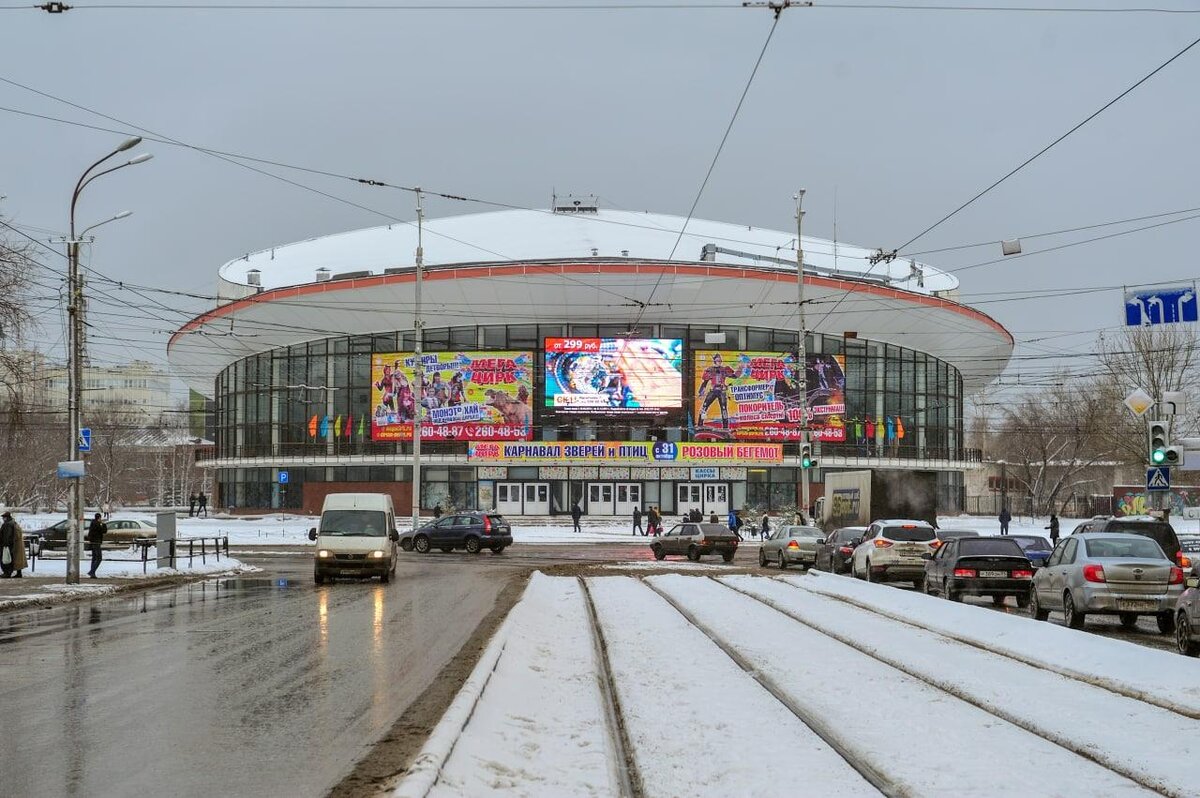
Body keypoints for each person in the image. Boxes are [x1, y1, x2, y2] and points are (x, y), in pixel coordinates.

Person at [1, 511, 26, 578]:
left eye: (3, 517)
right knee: (16, 558)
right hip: (15, 544)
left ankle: (7, 573)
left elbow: (7, 536)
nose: (3, 519)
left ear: (6, 517)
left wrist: (5, 544)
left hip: (8, 545)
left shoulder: (7, 524)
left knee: (6, 559)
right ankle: (18, 573)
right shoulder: (14, 523)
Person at [86, 512, 108, 578]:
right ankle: (92, 572)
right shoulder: (97, 524)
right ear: (99, 518)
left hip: (93, 542)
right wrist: (103, 524)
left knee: (94, 558)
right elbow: (104, 531)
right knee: (99, 558)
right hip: (96, 543)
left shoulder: (92, 523)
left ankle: (92, 573)